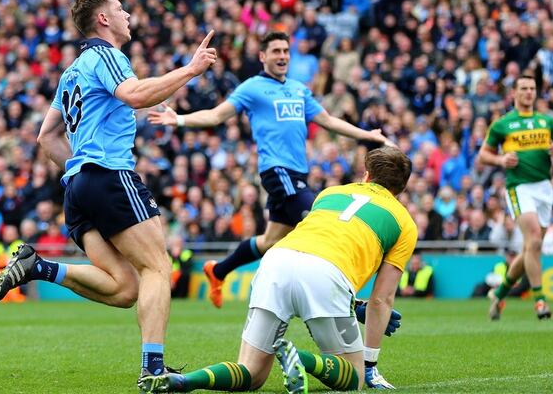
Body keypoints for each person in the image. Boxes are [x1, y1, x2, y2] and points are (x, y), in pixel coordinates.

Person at [0, 0, 218, 388]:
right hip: (108, 175)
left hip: (78, 190)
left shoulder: (71, 72)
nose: (128, 14)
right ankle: (152, 369)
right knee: (158, 267)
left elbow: (47, 137)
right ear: (103, 18)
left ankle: (39, 266)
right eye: (120, 8)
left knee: (126, 288)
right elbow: (134, 95)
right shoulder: (106, 55)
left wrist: (78, 168)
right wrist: (191, 69)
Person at [138, 147, 415, 393]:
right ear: (402, 187)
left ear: (366, 174)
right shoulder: (404, 221)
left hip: (276, 260)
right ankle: (300, 358)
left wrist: (353, 305)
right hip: (327, 274)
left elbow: (316, 247)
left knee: (252, 373)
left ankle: (184, 382)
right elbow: (382, 298)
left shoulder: (330, 193)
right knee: (352, 376)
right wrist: (369, 363)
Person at [149, 31, 394, 309]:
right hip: (277, 171)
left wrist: (367, 135)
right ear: (263, 56)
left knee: (269, 240)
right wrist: (179, 119)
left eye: (286, 51)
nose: (282, 56)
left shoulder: (298, 89)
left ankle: (218, 271)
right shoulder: (253, 87)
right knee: (321, 219)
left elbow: (328, 121)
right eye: (276, 51)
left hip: (298, 174)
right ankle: (348, 300)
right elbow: (217, 115)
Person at [479, 75, 553, 320]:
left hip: (544, 188)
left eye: (532, 88)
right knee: (535, 239)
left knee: (530, 247)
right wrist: (500, 160)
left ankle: (499, 294)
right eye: (524, 88)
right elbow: (483, 155)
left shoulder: (548, 122)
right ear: (514, 93)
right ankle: (540, 302)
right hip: (519, 187)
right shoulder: (502, 124)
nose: (528, 92)